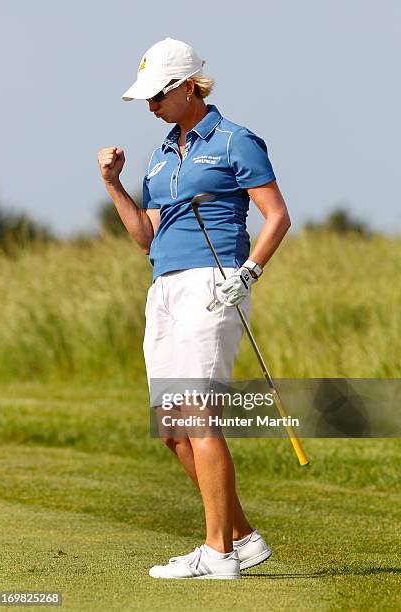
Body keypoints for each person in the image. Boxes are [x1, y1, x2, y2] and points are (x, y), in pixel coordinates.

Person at [97, 37, 291, 580]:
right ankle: (242, 539)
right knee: (172, 429)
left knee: (200, 419)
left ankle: (218, 554)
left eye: (158, 95)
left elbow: (276, 216)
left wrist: (247, 273)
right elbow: (145, 236)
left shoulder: (236, 141)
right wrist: (113, 185)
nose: (151, 107)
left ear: (187, 87)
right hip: (164, 287)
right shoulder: (161, 154)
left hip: (214, 283)